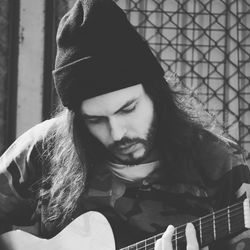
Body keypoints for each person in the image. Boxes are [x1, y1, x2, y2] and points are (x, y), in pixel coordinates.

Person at [0, 0, 249, 249]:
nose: (117, 133)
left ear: (156, 94)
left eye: (128, 108)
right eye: (95, 119)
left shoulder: (219, 162)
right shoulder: (44, 149)